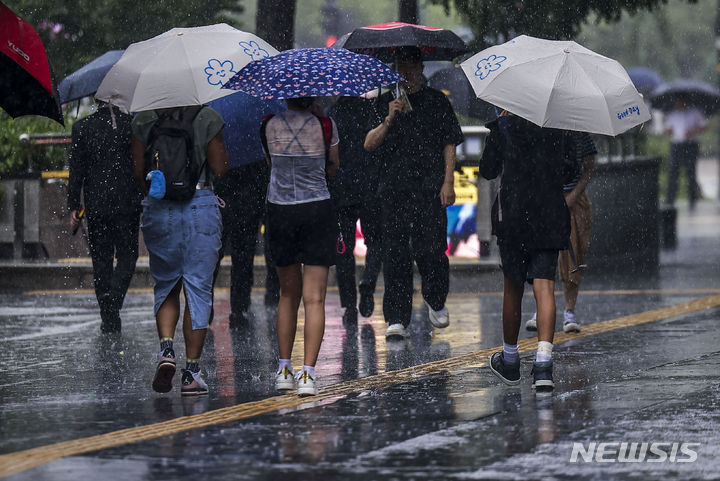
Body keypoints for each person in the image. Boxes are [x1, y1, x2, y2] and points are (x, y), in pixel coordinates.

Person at [364, 46, 464, 340]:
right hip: (393, 189)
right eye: (401, 66)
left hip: (429, 189)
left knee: (432, 249)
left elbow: (450, 143)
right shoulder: (384, 102)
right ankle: (396, 317)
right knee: (395, 253)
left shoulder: (436, 102)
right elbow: (369, 144)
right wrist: (389, 117)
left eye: (411, 66)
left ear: (421, 68)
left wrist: (448, 182)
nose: (406, 72)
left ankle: (436, 298)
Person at [131, 105, 228, 396]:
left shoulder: (145, 118)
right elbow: (221, 166)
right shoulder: (208, 116)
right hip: (200, 203)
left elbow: (138, 171)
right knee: (197, 289)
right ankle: (192, 374)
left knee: (167, 284)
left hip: (159, 208)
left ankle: (166, 350)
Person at [479, 112, 576, 393]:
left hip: (513, 216)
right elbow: (570, 170)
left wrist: (499, 133)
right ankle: (544, 365)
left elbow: (487, 169)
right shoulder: (558, 123)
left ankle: (510, 361)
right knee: (544, 286)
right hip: (548, 215)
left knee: (513, 287)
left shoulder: (504, 125)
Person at [263, 97, 339, 396]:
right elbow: (333, 166)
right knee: (315, 298)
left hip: (280, 210)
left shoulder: (268, 124)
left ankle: (284, 368)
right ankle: (307, 374)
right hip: (317, 209)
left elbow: (271, 164)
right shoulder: (325, 124)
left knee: (287, 294)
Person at [67, 102, 142, 333]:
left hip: (96, 205)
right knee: (128, 255)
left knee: (101, 260)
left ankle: (108, 317)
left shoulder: (83, 127)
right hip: (127, 204)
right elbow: (140, 164)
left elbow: (76, 169)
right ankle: (114, 301)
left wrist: (74, 206)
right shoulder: (132, 126)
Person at [210, 96, 285, 330]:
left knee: (215, 250)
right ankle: (239, 309)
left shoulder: (214, 109)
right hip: (252, 187)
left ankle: (206, 304)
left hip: (222, 186)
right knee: (244, 251)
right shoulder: (258, 106)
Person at [526, 132, 596, 333]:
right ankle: (541, 309)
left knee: (574, 257)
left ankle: (569, 311)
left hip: (575, 202)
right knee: (541, 257)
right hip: (544, 200)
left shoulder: (580, 133)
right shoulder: (539, 130)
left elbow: (589, 167)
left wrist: (572, 197)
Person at [327, 96, 383, 326]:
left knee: (343, 250)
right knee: (376, 241)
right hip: (370, 188)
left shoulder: (331, 115)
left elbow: (330, 156)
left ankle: (349, 305)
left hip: (341, 191)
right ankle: (368, 283)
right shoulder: (373, 111)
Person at [664, 96, 706, 210]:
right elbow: (668, 130)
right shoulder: (672, 114)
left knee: (691, 173)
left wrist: (692, 132)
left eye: (680, 101)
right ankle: (670, 200)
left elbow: (703, 127)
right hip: (677, 145)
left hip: (690, 144)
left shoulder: (694, 113)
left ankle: (692, 200)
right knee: (674, 173)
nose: (678, 103)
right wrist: (669, 131)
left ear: (685, 101)